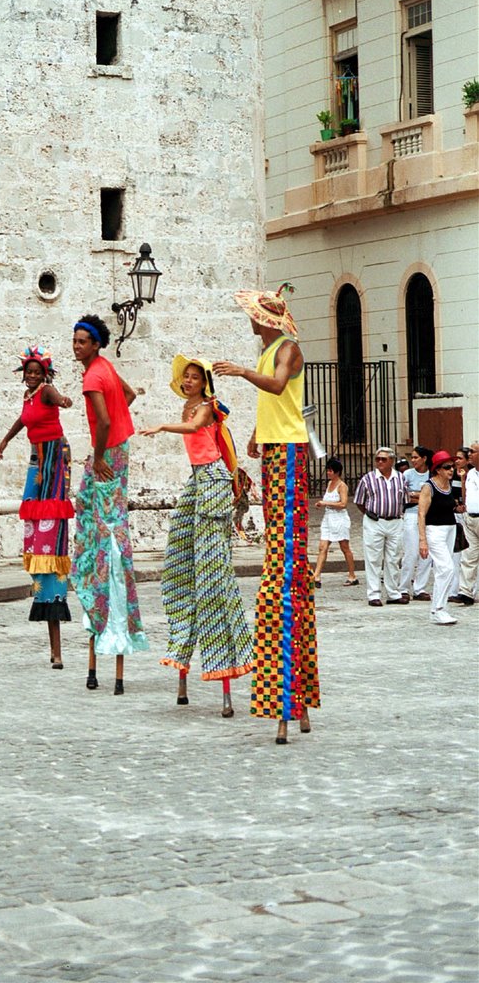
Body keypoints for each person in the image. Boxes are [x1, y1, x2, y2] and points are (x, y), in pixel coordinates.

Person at [213, 283, 319, 745]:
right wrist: (256, 432)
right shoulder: (270, 350)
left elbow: (278, 386)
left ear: (269, 319)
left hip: (292, 452)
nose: (251, 321)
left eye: (256, 316)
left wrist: (238, 372)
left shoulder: (288, 350)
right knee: (278, 546)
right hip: (275, 450)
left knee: (287, 561)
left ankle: (290, 699)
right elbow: (275, 402)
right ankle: (298, 702)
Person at [140, 355, 254, 717]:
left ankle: (224, 664)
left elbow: (195, 428)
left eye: (194, 377)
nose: (189, 381)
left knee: (211, 575)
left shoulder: (206, 407)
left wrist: (161, 427)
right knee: (180, 566)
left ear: (205, 382)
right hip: (197, 481)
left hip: (214, 481)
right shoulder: (190, 405)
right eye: (185, 377)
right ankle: (181, 654)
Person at [70, 314, 149, 694]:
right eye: (75, 340)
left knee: (100, 533)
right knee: (112, 522)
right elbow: (128, 396)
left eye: (83, 341)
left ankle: (97, 586)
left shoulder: (92, 376)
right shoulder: (106, 368)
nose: (77, 345)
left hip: (108, 454)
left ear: (97, 344)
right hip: (122, 450)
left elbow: (101, 420)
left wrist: (98, 455)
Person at [0, 346, 75, 669]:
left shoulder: (45, 392)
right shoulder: (29, 398)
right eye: (27, 372)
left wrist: (64, 401)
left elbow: (57, 399)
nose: (31, 376)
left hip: (53, 459)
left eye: (36, 372)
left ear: (44, 374)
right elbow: (22, 422)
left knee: (48, 520)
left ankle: (54, 602)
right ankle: (43, 589)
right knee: (33, 521)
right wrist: (4, 441)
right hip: (37, 460)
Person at [354, 447, 408, 607]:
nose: (379, 462)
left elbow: (404, 499)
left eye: (383, 459)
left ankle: (393, 593)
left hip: (395, 521)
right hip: (374, 521)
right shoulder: (368, 479)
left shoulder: (400, 478)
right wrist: (371, 514)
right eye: (377, 459)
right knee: (373, 559)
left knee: (394, 558)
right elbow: (359, 501)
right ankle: (374, 594)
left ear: (392, 461)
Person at [418, 450, 459, 626]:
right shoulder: (429, 487)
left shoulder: (450, 486)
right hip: (434, 531)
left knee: (445, 570)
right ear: (438, 470)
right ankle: (438, 609)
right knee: (447, 568)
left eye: (452, 467)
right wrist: (422, 540)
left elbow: (449, 507)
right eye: (447, 467)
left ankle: (439, 607)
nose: (451, 470)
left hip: (450, 529)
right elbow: (421, 514)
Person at [313, 457, 358, 588]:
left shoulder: (342, 486)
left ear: (337, 472)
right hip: (328, 518)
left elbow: (343, 504)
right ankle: (317, 575)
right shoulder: (329, 484)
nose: (328, 473)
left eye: (330, 470)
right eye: (328, 470)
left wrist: (325, 503)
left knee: (344, 547)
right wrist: (322, 504)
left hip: (339, 519)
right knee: (322, 547)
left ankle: (352, 575)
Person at [399, 446, 433, 601]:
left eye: (415, 457)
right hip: (412, 514)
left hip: (429, 515)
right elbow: (404, 495)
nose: (413, 461)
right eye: (412, 458)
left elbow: (433, 496)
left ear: (424, 458)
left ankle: (420, 587)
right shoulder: (407, 474)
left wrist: (417, 495)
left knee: (427, 554)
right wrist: (423, 496)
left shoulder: (431, 474)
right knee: (411, 552)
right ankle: (404, 587)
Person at [450, 440, 479, 606]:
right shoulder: (470, 474)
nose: (470, 455)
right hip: (471, 518)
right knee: (468, 557)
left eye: (473, 452)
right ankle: (466, 592)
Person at [449, 447, 470, 597]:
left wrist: (463, 480)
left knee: (469, 554)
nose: (457, 461)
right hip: (455, 514)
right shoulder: (451, 475)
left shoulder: (471, 475)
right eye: (455, 458)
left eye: (460, 458)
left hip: (468, 514)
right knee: (455, 553)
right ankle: (454, 589)